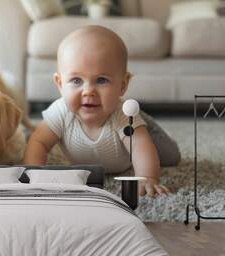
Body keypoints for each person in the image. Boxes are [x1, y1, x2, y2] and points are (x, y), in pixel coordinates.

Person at [23, 25, 180, 197]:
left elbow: (140, 147)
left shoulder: (122, 115)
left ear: (123, 85)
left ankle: (145, 123)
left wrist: (147, 177)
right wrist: (34, 174)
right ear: (60, 84)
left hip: (130, 121)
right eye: (76, 80)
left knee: (170, 156)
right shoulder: (61, 111)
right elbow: (38, 142)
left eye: (101, 80)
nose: (88, 91)